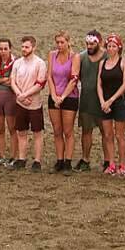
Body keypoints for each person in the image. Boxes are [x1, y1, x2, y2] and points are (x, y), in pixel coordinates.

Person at [9, 36, 48, 171]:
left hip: (34, 104)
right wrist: (20, 96)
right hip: (21, 103)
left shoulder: (40, 63)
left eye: (27, 47)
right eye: (23, 47)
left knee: (37, 132)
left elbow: (40, 84)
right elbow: (12, 80)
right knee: (21, 131)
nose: (24, 49)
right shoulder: (18, 63)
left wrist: (24, 95)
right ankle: (22, 158)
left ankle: (37, 160)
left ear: (33, 47)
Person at [97, 34, 125, 177]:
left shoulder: (123, 62)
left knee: (119, 135)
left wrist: (111, 100)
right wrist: (102, 101)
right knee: (108, 135)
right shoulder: (102, 63)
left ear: (119, 48)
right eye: (109, 46)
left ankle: (122, 164)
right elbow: (99, 83)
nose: (111, 49)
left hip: (119, 102)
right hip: (105, 103)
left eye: (114, 46)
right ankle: (111, 163)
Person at [47, 31, 81, 172]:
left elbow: (74, 79)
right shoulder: (52, 55)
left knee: (68, 131)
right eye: (58, 42)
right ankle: (59, 160)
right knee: (57, 130)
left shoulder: (74, 57)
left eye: (62, 42)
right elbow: (49, 76)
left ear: (68, 42)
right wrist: (54, 95)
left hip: (70, 97)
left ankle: (68, 161)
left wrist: (63, 96)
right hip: (54, 96)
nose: (60, 45)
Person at [76, 31, 107, 172]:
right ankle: (85, 159)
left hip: (103, 101)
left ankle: (108, 160)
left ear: (99, 42)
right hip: (87, 99)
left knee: (105, 131)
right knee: (86, 131)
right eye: (87, 43)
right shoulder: (82, 57)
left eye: (92, 43)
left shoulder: (107, 56)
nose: (89, 46)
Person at [0, 39, 19, 167]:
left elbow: (13, 81)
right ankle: (1, 156)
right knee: (0, 129)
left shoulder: (16, 62)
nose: (3, 51)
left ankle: (13, 156)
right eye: (1, 49)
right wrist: (4, 79)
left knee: (12, 128)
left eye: (5, 49)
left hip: (10, 97)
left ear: (10, 49)